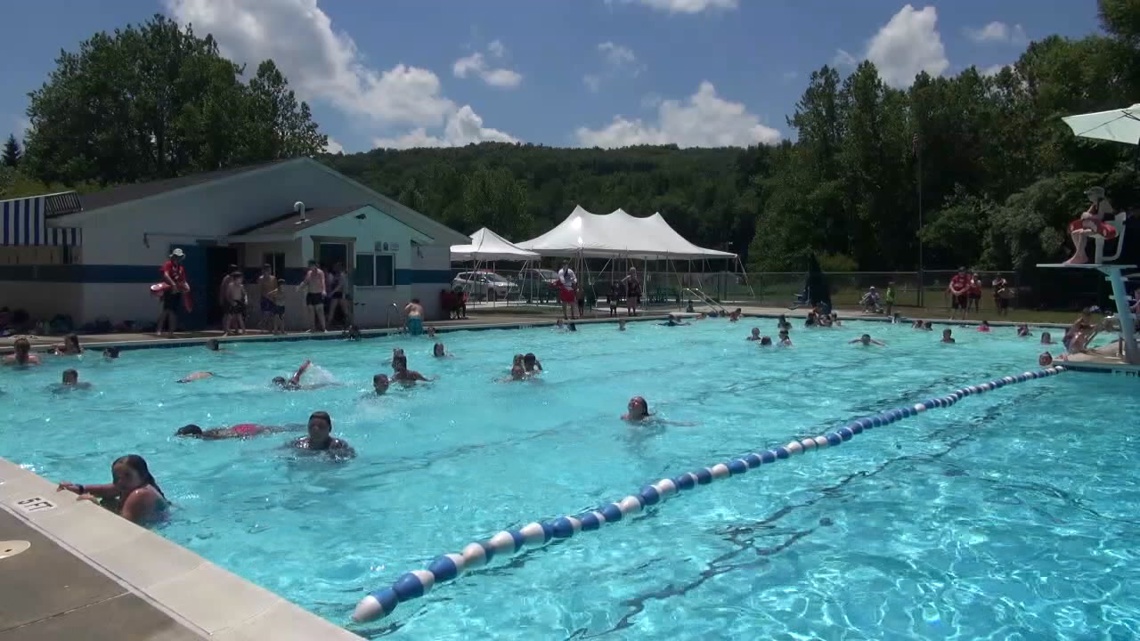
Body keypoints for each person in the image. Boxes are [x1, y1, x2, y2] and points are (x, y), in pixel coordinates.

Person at [56, 455, 167, 524]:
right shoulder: (128, 486)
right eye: (116, 477)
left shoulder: (140, 494)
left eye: (127, 476)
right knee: (107, 500)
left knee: (106, 504)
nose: (121, 481)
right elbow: (102, 490)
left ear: (142, 476)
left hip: (155, 531)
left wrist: (95, 505)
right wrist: (75, 488)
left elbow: (123, 526)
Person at [1065, 186, 1116, 265]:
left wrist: (1088, 215)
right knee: (1075, 233)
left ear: (1097, 195)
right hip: (1098, 227)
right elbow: (1084, 217)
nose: (1088, 196)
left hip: (1108, 229)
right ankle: (1081, 256)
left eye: (1090, 194)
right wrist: (1086, 215)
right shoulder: (1094, 205)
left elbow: (1099, 217)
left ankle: (1079, 256)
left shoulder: (1103, 202)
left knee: (1082, 233)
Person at [290, 411, 355, 459]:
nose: (316, 430)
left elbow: (351, 457)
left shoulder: (339, 446)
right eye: (312, 426)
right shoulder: (298, 444)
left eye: (321, 426)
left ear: (329, 429)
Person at [157, 248, 189, 337]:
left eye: (180, 257)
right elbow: (165, 275)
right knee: (166, 310)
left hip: (177, 292)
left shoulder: (181, 268)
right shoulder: (168, 264)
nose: (178, 258)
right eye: (177, 256)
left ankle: (171, 332)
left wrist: (186, 286)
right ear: (174, 256)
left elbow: (183, 280)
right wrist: (173, 284)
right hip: (168, 290)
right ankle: (159, 330)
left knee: (173, 312)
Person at [297, 261, 328, 333]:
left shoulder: (320, 273)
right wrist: (299, 287)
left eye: (311, 266)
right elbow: (305, 282)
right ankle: (312, 328)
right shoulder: (309, 273)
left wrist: (324, 290)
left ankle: (324, 328)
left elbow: (323, 282)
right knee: (311, 312)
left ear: (315, 265)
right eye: (309, 266)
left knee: (320, 311)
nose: (310, 267)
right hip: (310, 294)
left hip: (318, 294)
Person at [175, 423, 295, 440]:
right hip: (240, 427)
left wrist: (245, 438)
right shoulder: (207, 432)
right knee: (281, 428)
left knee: (279, 430)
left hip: (243, 432)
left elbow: (231, 436)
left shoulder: (208, 437)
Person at [325, 262, 353, 329]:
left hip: (341, 294)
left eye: (336, 266)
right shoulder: (336, 275)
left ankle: (351, 324)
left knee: (345, 311)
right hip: (337, 294)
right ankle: (328, 325)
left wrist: (332, 292)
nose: (334, 268)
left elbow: (340, 286)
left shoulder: (342, 275)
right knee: (332, 310)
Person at [221, 268, 248, 336]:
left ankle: (244, 331)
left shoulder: (241, 286)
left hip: (238, 302)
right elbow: (227, 295)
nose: (241, 280)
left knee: (240, 317)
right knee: (229, 317)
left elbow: (245, 294)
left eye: (241, 279)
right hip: (233, 302)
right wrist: (231, 302)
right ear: (235, 279)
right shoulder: (230, 286)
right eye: (240, 279)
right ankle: (227, 331)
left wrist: (246, 300)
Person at [256, 264, 278, 331]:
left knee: (271, 315)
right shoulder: (261, 279)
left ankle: (269, 329)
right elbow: (259, 290)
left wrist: (274, 296)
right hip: (265, 299)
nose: (268, 272)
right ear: (263, 271)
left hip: (272, 299)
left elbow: (276, 288)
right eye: (266, 270)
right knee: (265, 314)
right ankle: (262, 327)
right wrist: (260, 298)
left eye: (269, 270)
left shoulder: (273, 278)